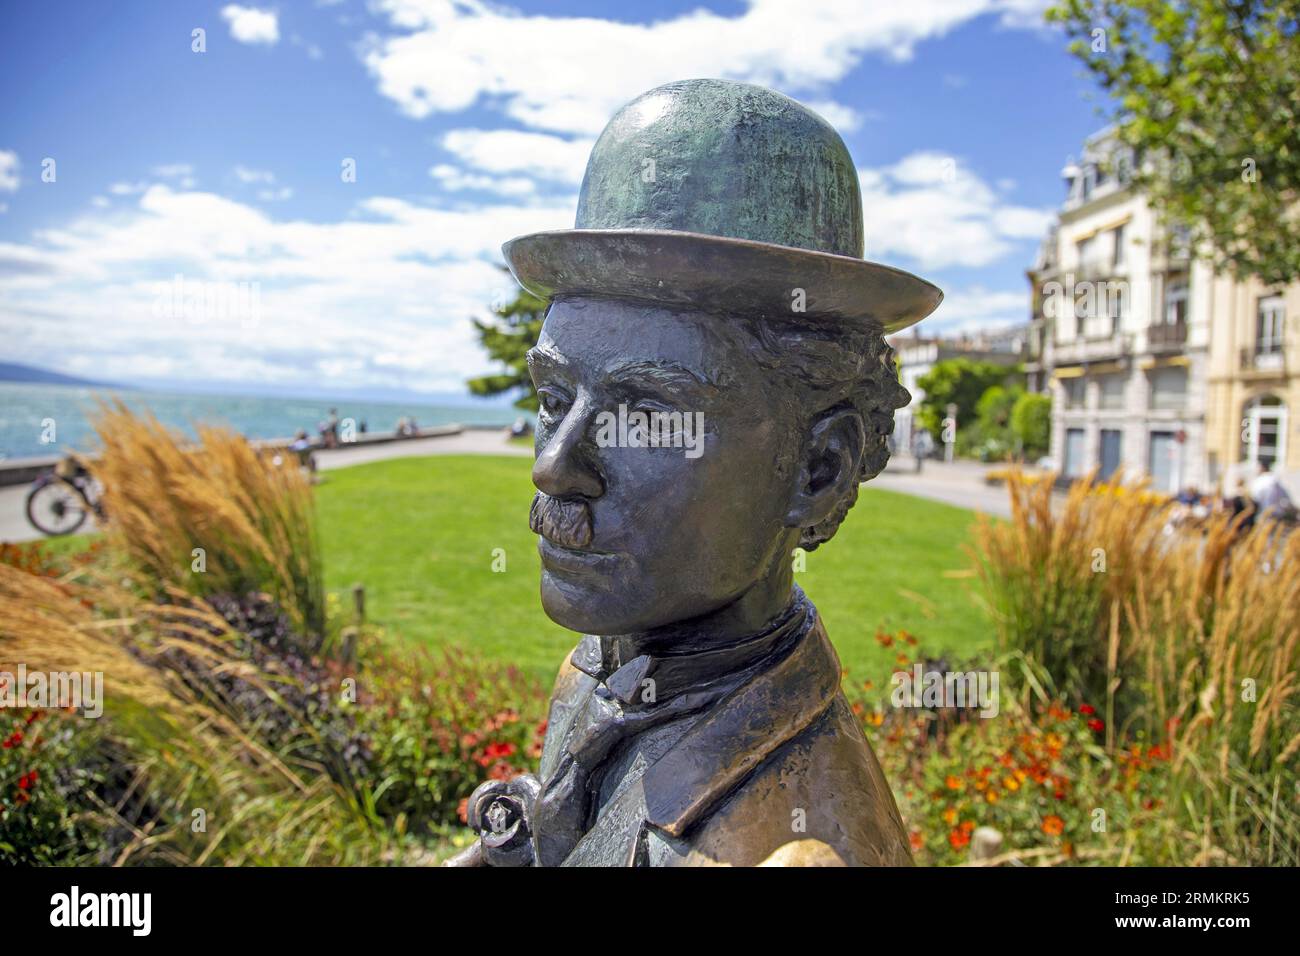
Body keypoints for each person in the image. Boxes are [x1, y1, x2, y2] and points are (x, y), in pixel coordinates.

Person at [448, 79, 938, 868]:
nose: (552, 467)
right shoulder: (601, 675)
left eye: (646, 414)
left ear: (818, 469)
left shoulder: (786, 847)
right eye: (553, 397)